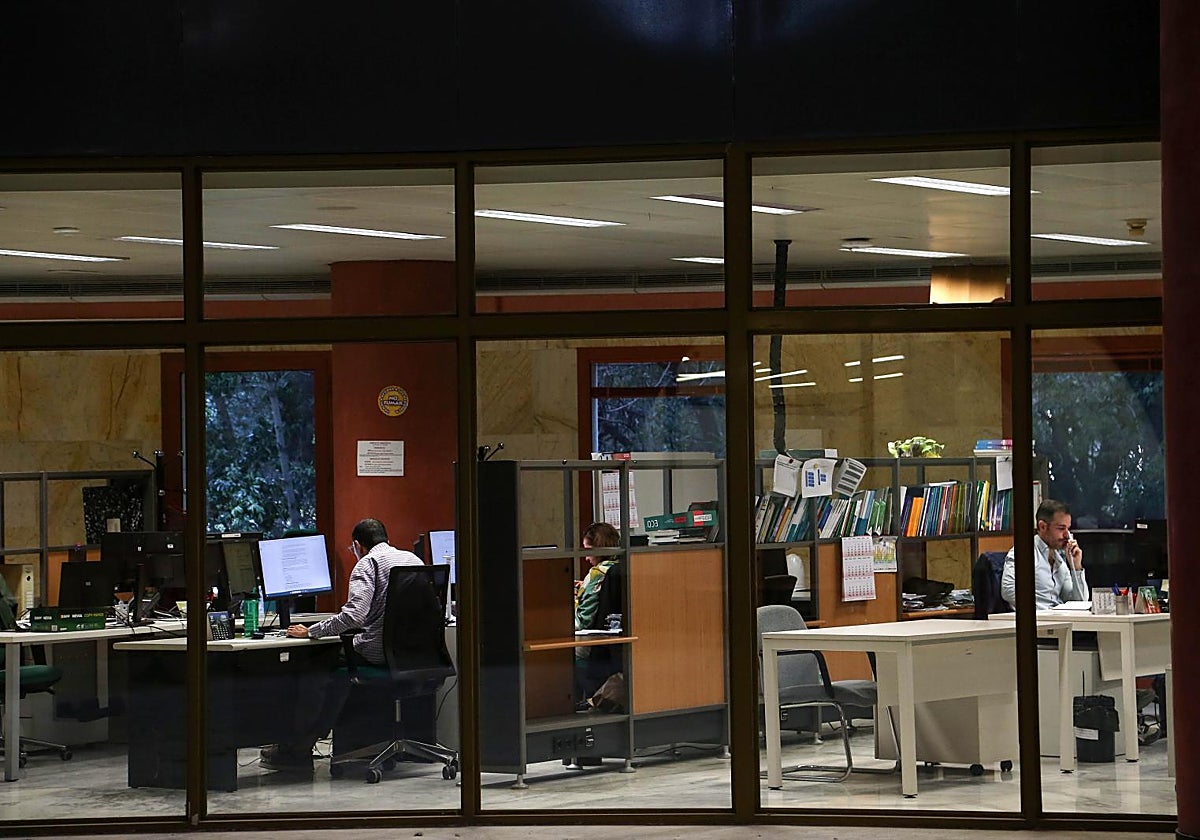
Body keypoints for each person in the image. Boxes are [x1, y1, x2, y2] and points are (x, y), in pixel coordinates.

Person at [259, 517, 423, 773]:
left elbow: (354, 616)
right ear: (386, 539)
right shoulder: (414, 561)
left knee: (315, 666)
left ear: (357, 545)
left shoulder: (367, 564)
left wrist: (311, 631)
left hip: (377, 653)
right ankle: (304, 744)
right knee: (334, 667)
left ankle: (297, 748)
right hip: (414, 654)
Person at [1001, 499, 1089, 611]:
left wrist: (1076, 567)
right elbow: (1008, 590)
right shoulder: (1023, 552)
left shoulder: (1059, 559)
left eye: (1068, 528)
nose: (1067, 535)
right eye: (1061, 528)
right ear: (1043, 526)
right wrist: (1045, 611)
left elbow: (1080, 601)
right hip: (1037, 619)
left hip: (1058, 618)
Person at [574, 521, 623, 706]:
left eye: (588, 551)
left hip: (592, 642)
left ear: (599, 548)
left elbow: (582, 621)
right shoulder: (620, 566)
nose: (586, 558)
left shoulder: (597, 573)